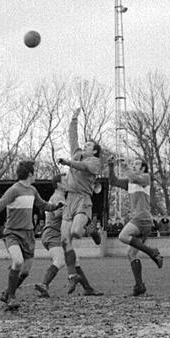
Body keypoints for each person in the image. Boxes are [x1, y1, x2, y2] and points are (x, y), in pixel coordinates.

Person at [0, 160, 63, 310]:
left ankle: (7, 293)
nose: (35, 174)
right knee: (17, 262)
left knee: (25, 271)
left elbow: (43, 205)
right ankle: (11, 297)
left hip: (29, 235)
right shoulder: (14, 190)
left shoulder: (32, 190)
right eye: (34, 172)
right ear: (30, 174)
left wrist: (56, 206)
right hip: (12, 233)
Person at [57, 108, 103, 296]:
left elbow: (83, 166)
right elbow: (72, 136)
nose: (85, 146)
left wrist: (68, 163)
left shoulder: (94, 161)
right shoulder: (77, 152)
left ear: (95, 151)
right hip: (70, 199)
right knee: (64, 240)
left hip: (83, 199)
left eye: (89, 145)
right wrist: (74, 118)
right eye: (85, 144)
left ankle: (91, 228)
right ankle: (72, 276)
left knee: (76, 232)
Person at [107, 157, 163, 295]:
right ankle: (139, 286)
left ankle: (152, 252)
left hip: (142, 218)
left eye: (137, 163)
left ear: (143, 167)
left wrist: (125, 167)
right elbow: (113, 181)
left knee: (123, 236)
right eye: (134, 163)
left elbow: (133, 177)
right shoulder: (130, 181)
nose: (134, 164)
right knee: (130, 254)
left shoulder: (145, 177)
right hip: (140, 220)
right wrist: (110, 166)